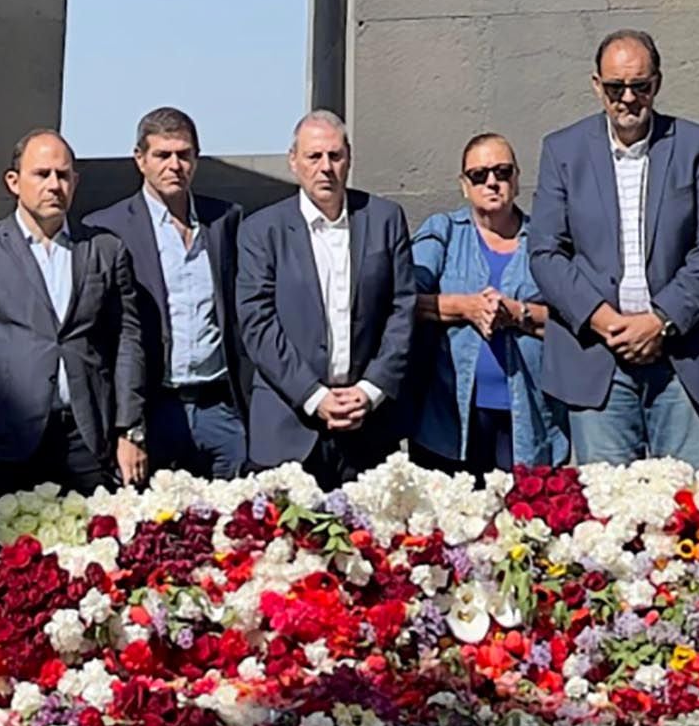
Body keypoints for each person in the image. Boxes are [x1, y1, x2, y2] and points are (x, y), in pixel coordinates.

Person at [529, 30, 699, 468]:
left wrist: (660, 320)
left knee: (689, 511)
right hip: (596, 358)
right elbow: (546, 252)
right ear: (596, 85)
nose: (627, 98)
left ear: (656, 84)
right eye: (615, 87)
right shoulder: (563, 151)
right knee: (608, 516)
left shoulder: (695, 146)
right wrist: (605, 322)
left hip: (682, 357)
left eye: (639, 86)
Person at [0, 129, 147, 522]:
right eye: (42, 174)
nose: (55, 185)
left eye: (64, 175)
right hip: (6, 441)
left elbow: (127, 341)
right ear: (14, 181)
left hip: (87, 438)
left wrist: (128, 430)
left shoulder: (105, 249)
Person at [235, 110, 415, 488]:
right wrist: (314, 395)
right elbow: (257, 323)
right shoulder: (261, 230)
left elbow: (402, 310)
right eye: (314, 156)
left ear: (349, 158)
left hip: (367, 429)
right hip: (288, 426)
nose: (325, 167)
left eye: (335, 156)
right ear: (293, 161)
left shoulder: (385, 219)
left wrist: (370, 391)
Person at [83, 107, 246, 479]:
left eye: (184, 154)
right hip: (152, 407)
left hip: (219, 405)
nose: (175, 165)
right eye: (162, 155)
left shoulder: (224, 220)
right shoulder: (106, 228)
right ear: (140, 159)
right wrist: (127, 424)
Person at [409, 133, 566, 476]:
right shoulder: (444, 232)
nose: (491, 182)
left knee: (522, 522)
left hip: (528, 416)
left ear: (517, 178)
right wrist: (465, 307)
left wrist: (518, 314)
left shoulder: (545, 239)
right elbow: (403, 300)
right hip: (450, 420)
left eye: (502, 172)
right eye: (479, 175)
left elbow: (574, 318)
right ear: (464, 185)